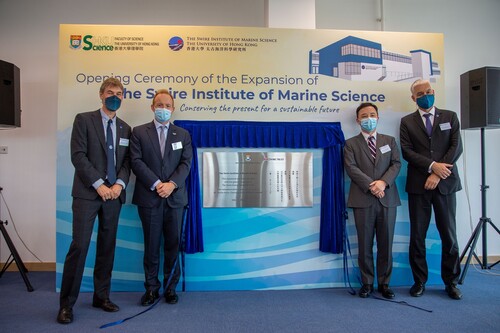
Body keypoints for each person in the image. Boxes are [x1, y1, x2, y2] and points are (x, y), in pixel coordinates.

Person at [57, 77, 131, 324]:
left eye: (119, 93)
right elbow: (78, 156)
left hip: (114, 197)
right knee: (79, 247)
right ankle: (66, 304)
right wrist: (100, 185)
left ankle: (101, 296)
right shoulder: (83, 120)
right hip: (88, 194)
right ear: (101, 95)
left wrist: (118, 185)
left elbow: (126, 163)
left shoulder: (125, 128)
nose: (115, 96)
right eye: (110, 92)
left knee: (106, 247)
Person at [400, 79, 463, 300]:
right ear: (413, 98)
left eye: (429, 91)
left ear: (433, 92)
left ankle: (451, 282)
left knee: (449, 235)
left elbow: (456, 147)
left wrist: (437, 172)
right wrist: (430, 166)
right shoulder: (407, 122)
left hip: (445, 183)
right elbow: (407, 152)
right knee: (418, 236)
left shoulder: (450, 117)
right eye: (420, 93)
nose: (425, 95)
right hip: (419, 186)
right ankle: (419, 282)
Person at [130, 89, 192, 306]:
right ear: (152, 107)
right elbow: (136, 162)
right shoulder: (138, 132)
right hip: (149, 198)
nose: (163, 109)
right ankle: (151, 289)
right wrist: (158, 185)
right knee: (151, 246)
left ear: (173, 109)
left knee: (173, 246)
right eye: (159, 105)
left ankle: (170, 288)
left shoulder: (183, 135)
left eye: (167, 105)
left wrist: (171, 184)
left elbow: (186, 164)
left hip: (175, 200)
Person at [344, 102, 401, 299]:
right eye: (364, 115)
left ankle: (384, 284)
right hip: (363, 199)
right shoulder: (351, 143)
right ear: (358, 120)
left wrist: (383, 183)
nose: (369, 118)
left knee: (386, 245)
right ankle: (367, 283)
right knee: (365, 244)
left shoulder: (390, 141)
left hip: (387, 199)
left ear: (378, 117)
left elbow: (396, 164)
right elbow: (351, 168)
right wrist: (372, 185)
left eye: (372, 114)